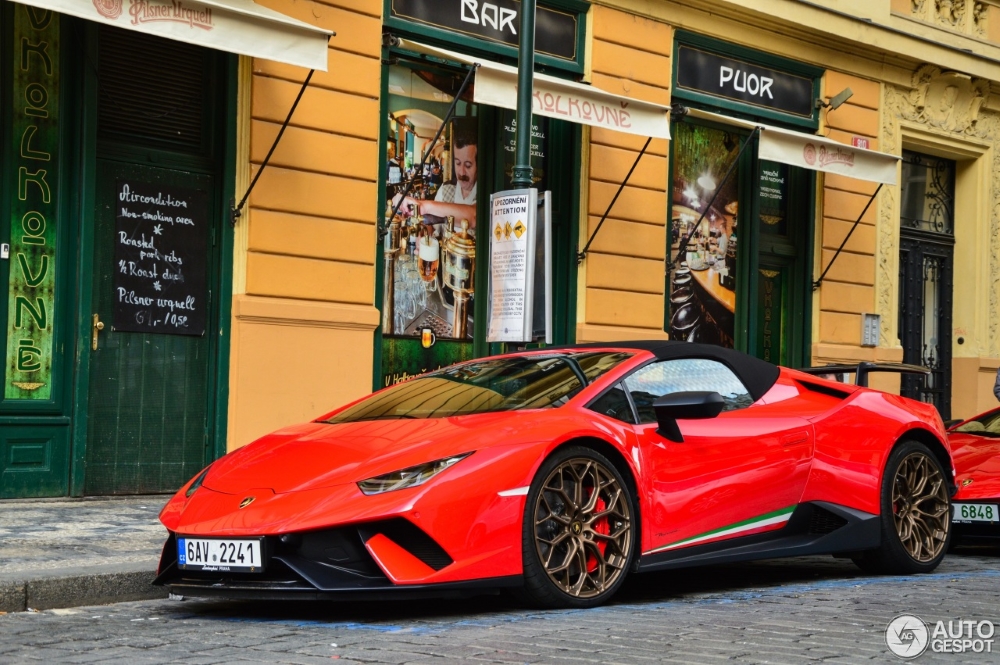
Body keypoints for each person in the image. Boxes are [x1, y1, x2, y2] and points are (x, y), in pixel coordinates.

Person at [395, 133, 478, 228]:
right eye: (458, 163)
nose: (462, 172)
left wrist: (423, 206)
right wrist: (423, 229)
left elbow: (473, 217)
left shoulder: (484, 193)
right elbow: (433, 228)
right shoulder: (446, 188)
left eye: (468, 165)